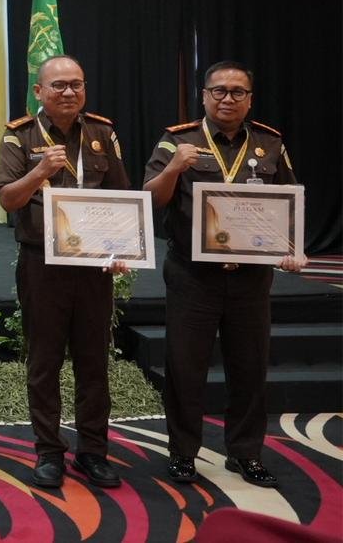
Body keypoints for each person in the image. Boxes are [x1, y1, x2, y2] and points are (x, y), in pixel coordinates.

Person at [142, 61, 305, 488]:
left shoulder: (269, 143)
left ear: (249, 99)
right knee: (185, 368)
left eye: (237, 92)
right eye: (219, 91)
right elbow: (151, 199)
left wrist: (291, 249)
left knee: (249, 368)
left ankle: (246, 453)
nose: (227, 99)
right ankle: (182, 453)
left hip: (250, 278)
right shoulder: (178, 141)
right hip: (193, 276)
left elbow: (288, 202)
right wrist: (174, 167)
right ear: (204, 96)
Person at [0, 55, 131, 490]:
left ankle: (93, 451)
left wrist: (121, 247)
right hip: (43, 266)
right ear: (39, 91)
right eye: (59, 85)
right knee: (45, 362)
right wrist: (40, 171)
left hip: (93, 266)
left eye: (76, 84)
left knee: (94, 363)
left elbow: (121, 196)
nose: (69, 92)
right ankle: (49, 451)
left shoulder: (102, 133)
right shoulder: (19, 136)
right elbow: (8, 200)